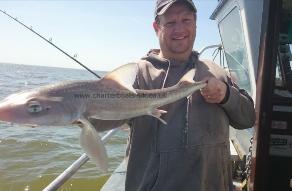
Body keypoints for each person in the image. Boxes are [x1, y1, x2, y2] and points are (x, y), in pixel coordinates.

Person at [93, 0, 255, 190]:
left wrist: (227, 95)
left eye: (186, 20)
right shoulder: (136, 76)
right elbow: (99, 121)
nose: (179, 29)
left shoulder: (217, 71)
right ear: (156, 27)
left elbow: (248, 119)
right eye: (170, 22)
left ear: (195, 23)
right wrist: (79, 108)